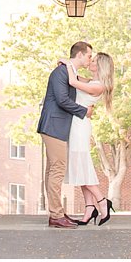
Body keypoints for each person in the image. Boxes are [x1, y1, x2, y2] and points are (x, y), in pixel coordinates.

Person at [36, 40, 94, 228]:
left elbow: (83, 83)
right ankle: (56, 215)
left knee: (53, 170)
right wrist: (84, 111)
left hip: (56, 127)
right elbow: (61, 100)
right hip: (54, 126)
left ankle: (56, 213)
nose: (90, 59)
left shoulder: (69, 71)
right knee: (57, 169)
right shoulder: (61, 72)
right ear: (79, 55)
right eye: (88, 55)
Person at [63, 51, 116, 225]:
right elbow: (77, 78)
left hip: (80, 127)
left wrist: (68, 63)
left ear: (99, 65)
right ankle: (89, 209)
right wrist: (70, 66)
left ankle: (102, 202)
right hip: (76, 124)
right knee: (80, 168)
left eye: (93, 60)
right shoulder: (92, 82)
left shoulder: (98, 86)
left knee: (81, 166)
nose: (90, 62)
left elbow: (72, 81)